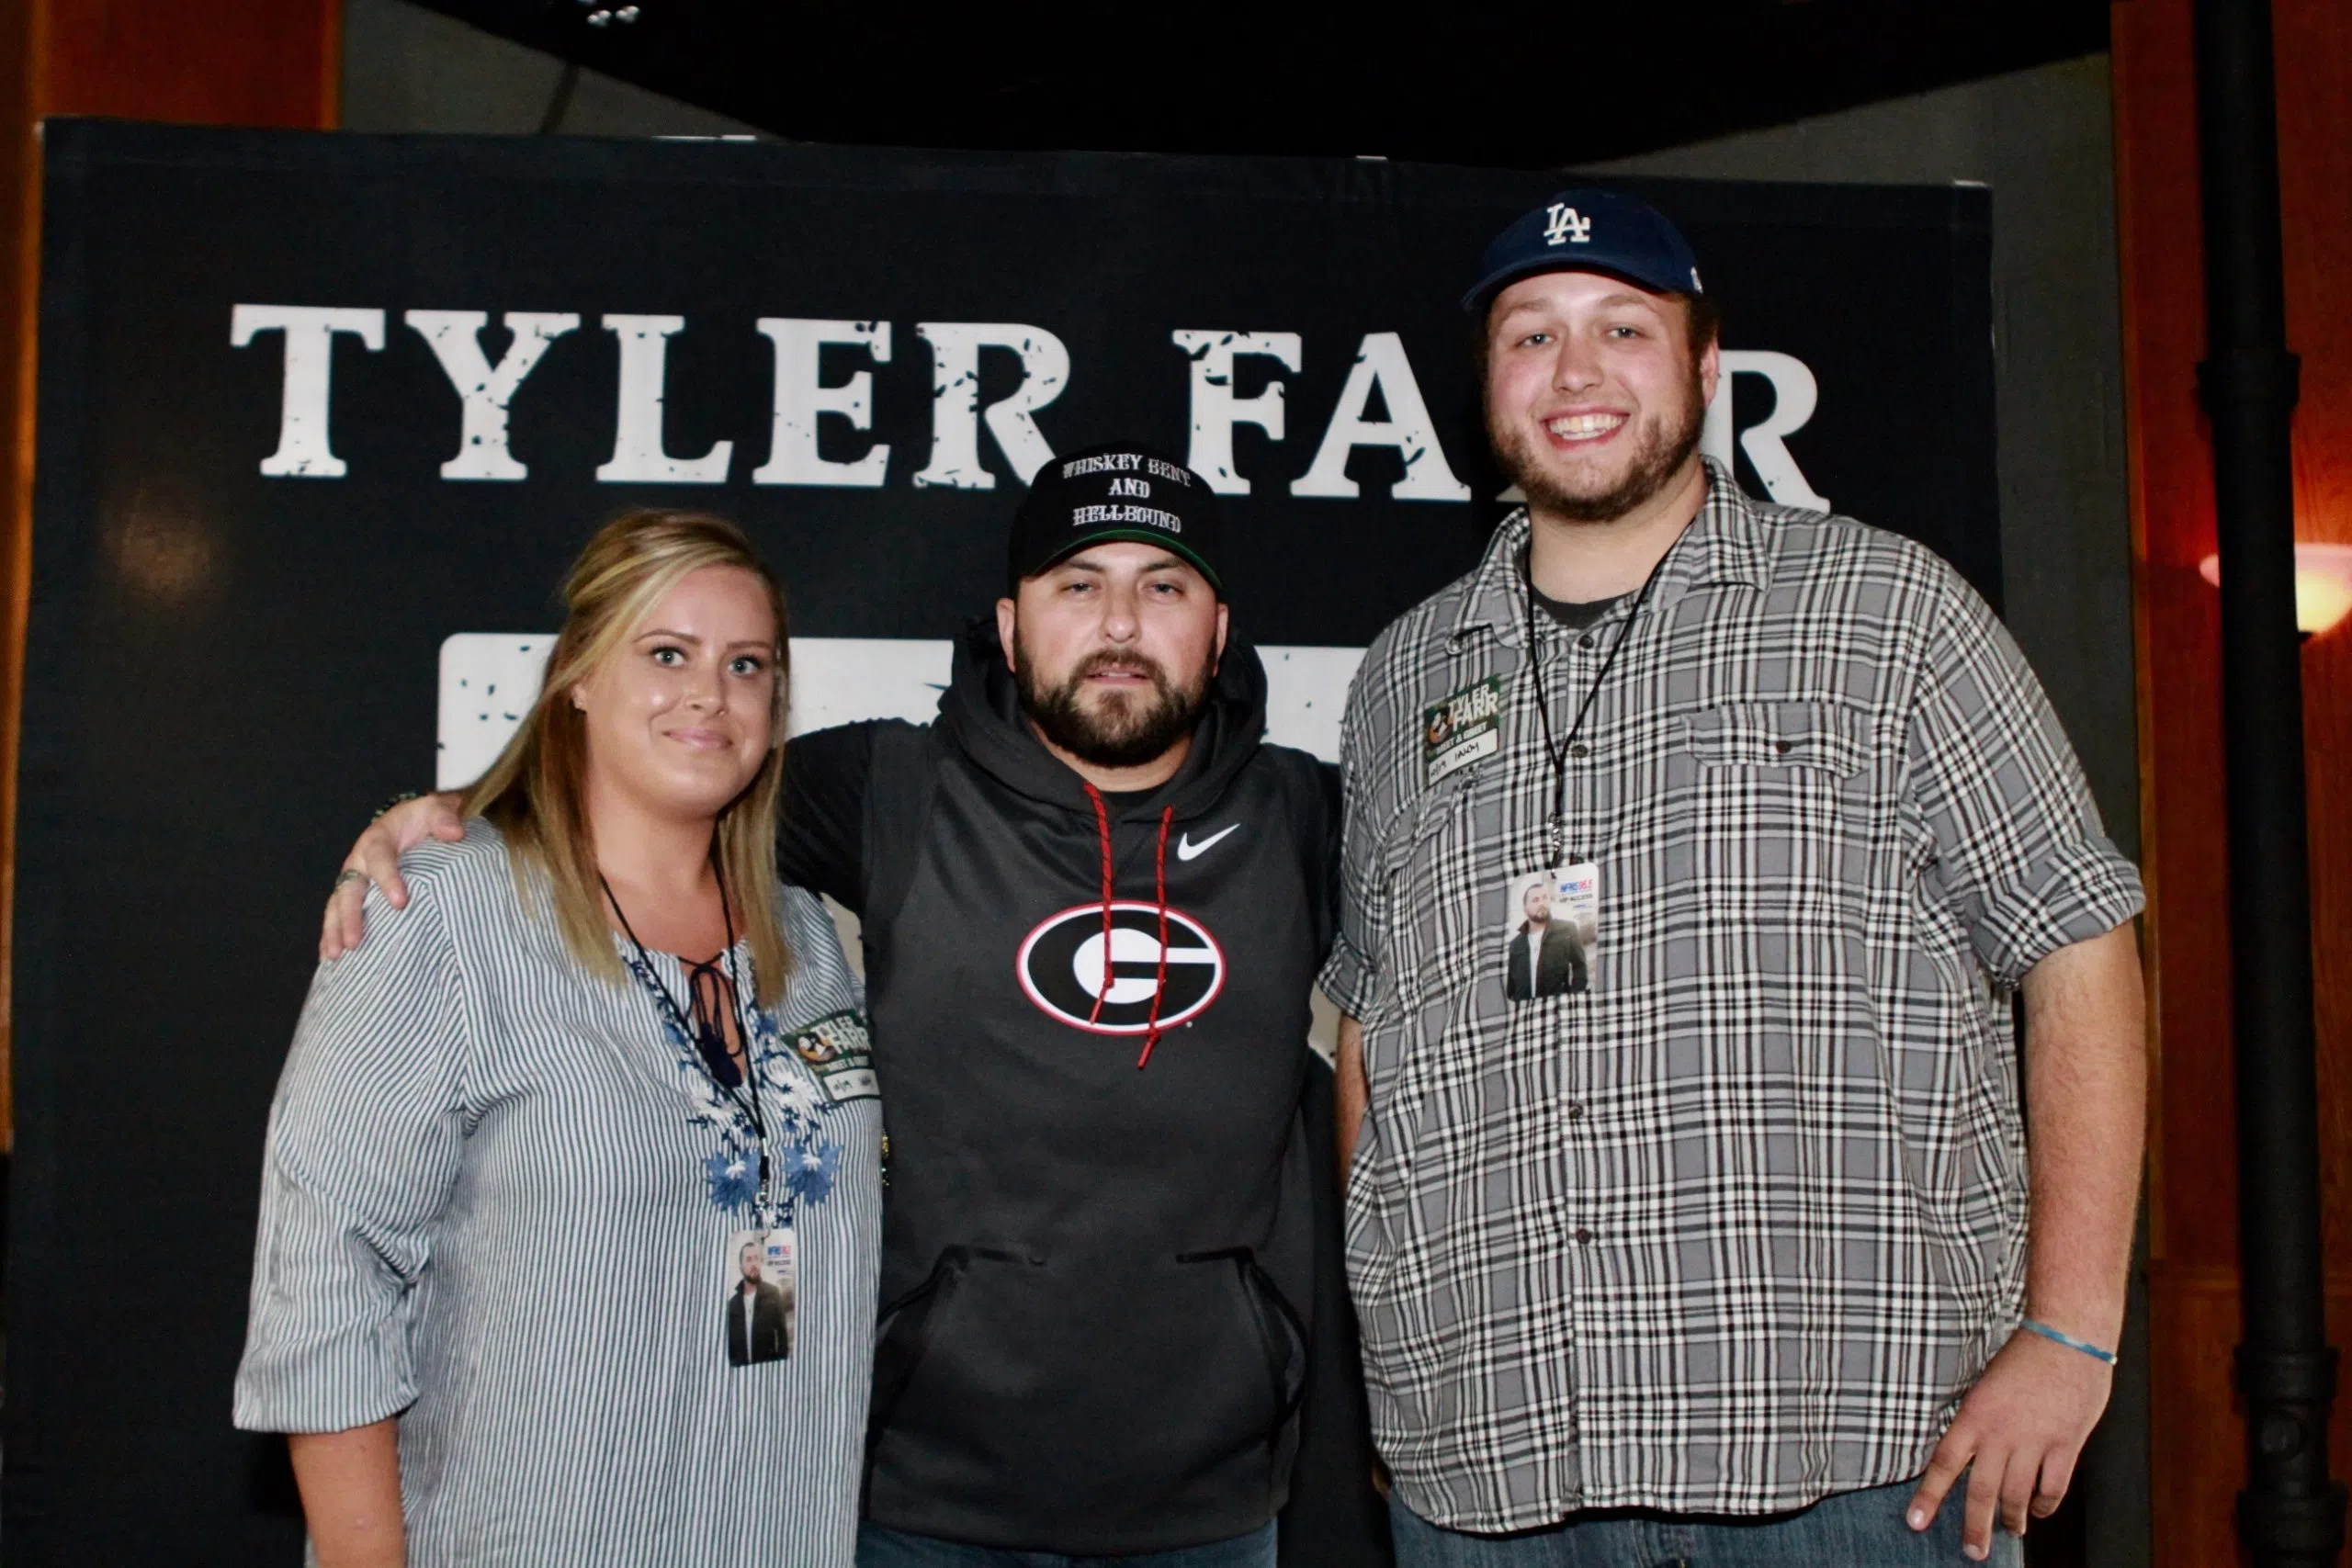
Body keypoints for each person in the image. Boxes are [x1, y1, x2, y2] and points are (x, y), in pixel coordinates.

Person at [328, 448, 1387, 1568]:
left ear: (1217, 633)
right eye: (1078, 584)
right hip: (917, 1498)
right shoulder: (893, 788)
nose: (1119, 623)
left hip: (1208, 1506)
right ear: (1010, 626)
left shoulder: (1306, 817)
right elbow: (662, 781)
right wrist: (451, 810)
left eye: (1161, 587)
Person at [1327, 190, 2147, 1566]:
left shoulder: (1889, 612)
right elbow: (1371, 1024)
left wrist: (2070, 1332)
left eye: (1622, 329)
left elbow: (2077, 940)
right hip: (1489, 1474)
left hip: (1859, 1470)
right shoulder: (1404, 675)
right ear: (1486, 385)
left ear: (1706, 368)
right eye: (1531, 334)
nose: (1575, 372)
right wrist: (1398, 1359)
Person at [237, 511, 880, 1567]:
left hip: (775, 1529)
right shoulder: (442, 913)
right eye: (665, 653)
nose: (709, 694)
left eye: (746, 664)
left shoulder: (808, 937)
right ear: (577, 676)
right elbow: (326, 1280)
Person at [1501, 874, 1586, 999]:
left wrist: (1574, 994)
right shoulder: (1514, 945)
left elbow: (1580, 966)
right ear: (1525, 909)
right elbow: (1510, 985)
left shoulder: (1567, 929)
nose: (1541, 903)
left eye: (1545, 898)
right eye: (1535, 900)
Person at [728, 1236, 794, 1365]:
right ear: (741, 1267)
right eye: (748, 1259)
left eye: (756, 1258)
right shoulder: (732, 1305)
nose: (753, 1264)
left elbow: (782, 1335)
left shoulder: (773, 1294)